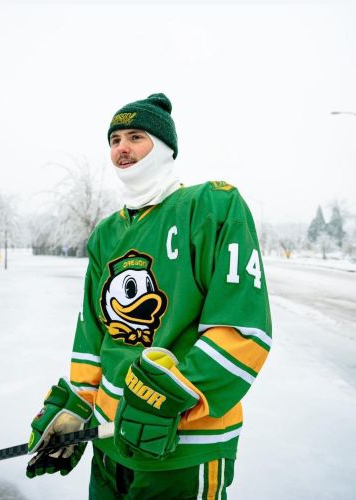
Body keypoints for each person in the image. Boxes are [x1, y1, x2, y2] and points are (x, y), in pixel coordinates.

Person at [26, 93, 272, 499]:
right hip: (109, 442)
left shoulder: (213, 206)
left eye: (135, 137)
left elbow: (244, 329)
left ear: (163, 147)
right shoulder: (106, 233)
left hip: (184, 448)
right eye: (115, 140)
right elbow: (92, 335)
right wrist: (79, 404)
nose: (122, 148)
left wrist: (172, 395)